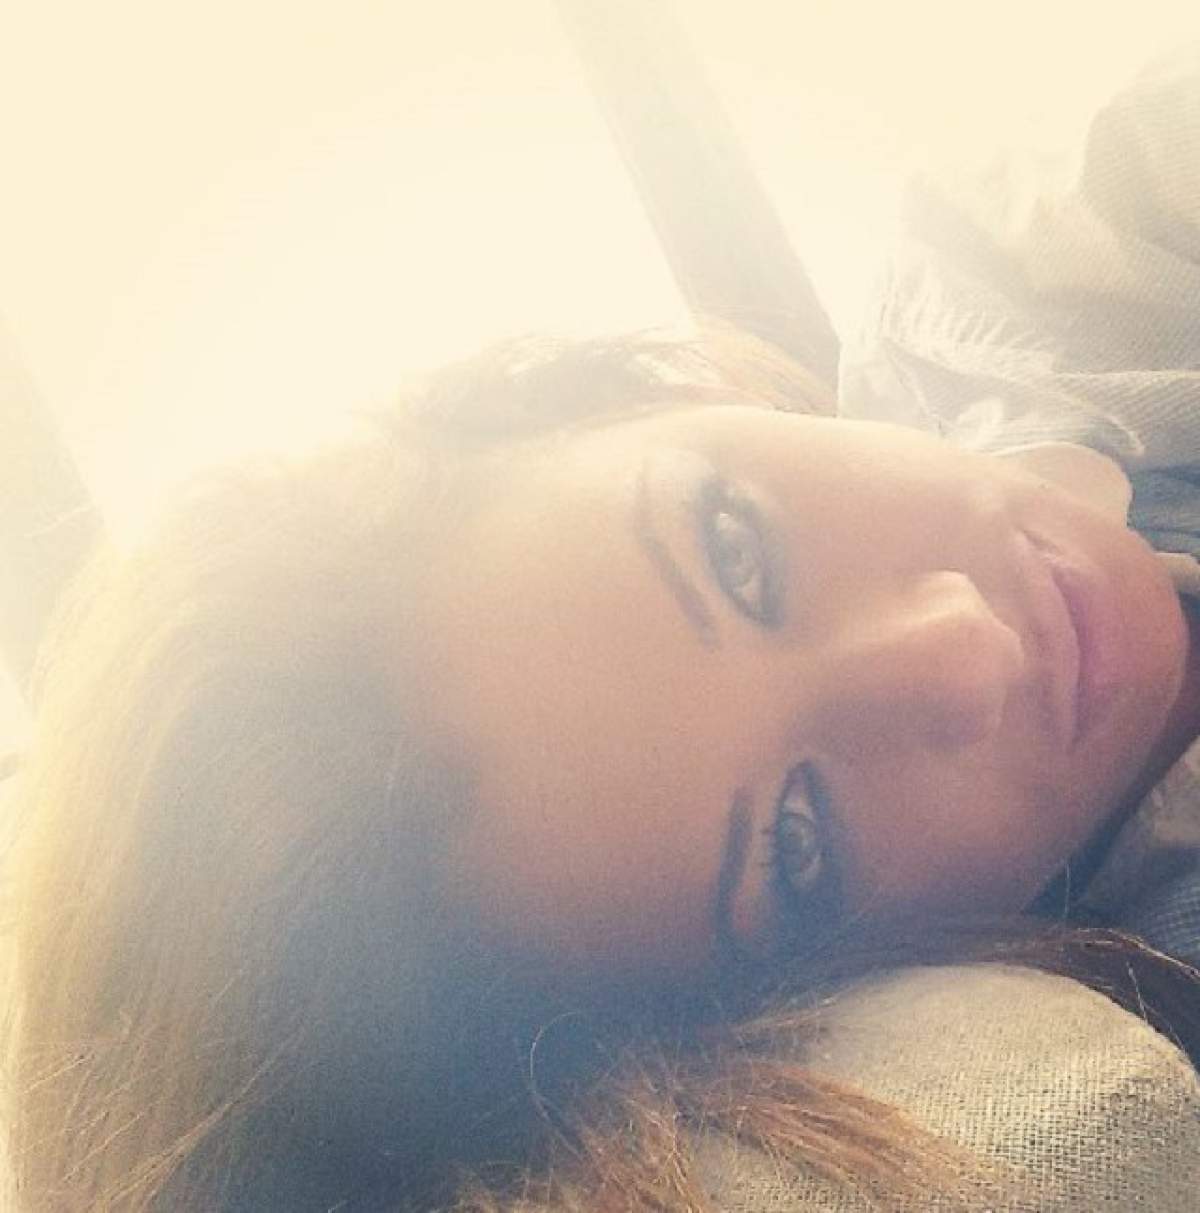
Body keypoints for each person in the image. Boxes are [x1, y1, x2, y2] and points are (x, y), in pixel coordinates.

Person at [6, 49, 1200, 1213]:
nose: (967, 649)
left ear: (648, 391)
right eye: (795, 844)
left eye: (735, 545)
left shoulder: (1033, 272)